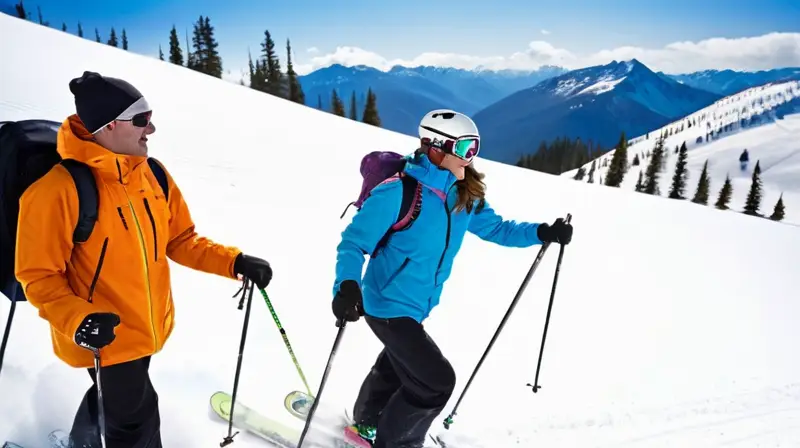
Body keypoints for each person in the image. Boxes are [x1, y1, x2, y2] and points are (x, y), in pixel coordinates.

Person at [14, 71, 273, 448]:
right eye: (140, 120)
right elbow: (37, 276)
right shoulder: (57, 190)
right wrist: (79, 319)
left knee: (117, 400)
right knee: (136, 423)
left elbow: (181, 239)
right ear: (107, 127)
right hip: (102, 335)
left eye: (148, 117)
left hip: (145, 327)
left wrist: (234, 262)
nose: (150, 129)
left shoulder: (152, 174)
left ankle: (81, 441)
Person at [330, 109, 573, 447]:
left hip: (416, 304)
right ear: (435, 147)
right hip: (385, 303)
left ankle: (366, 423)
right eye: (465, 149)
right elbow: (354, 243)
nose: (471, 158)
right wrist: (346, 285)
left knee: (400, 364)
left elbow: (497, 228)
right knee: (436, 382)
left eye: (474, 148)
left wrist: (542, 232)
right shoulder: (398, 193)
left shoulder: (462, 195)